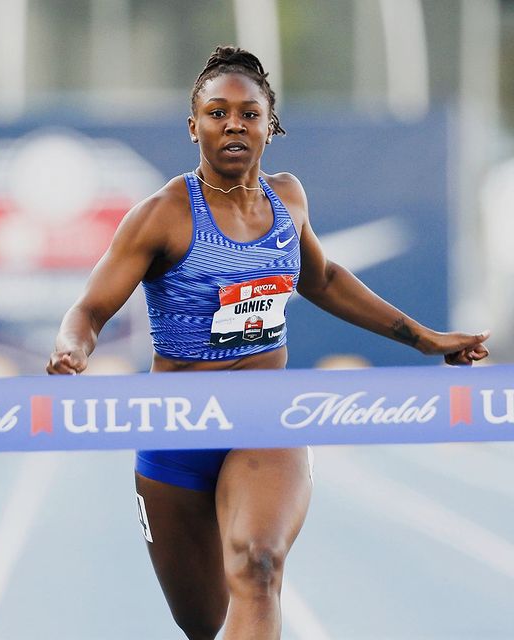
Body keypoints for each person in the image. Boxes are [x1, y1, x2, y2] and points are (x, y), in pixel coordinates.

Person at [47, 46, 490, 640]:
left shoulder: (289, 199)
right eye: (217, 113)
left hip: (266, 417)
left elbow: (323, 279)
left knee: (258, 566)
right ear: (194, 126)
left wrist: (425, 340)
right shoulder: (163, 214)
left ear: (269, 125)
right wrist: (73, 348)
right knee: (203, 623)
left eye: (248, 114)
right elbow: (90, 309)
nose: (233, 125)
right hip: (177, 431)